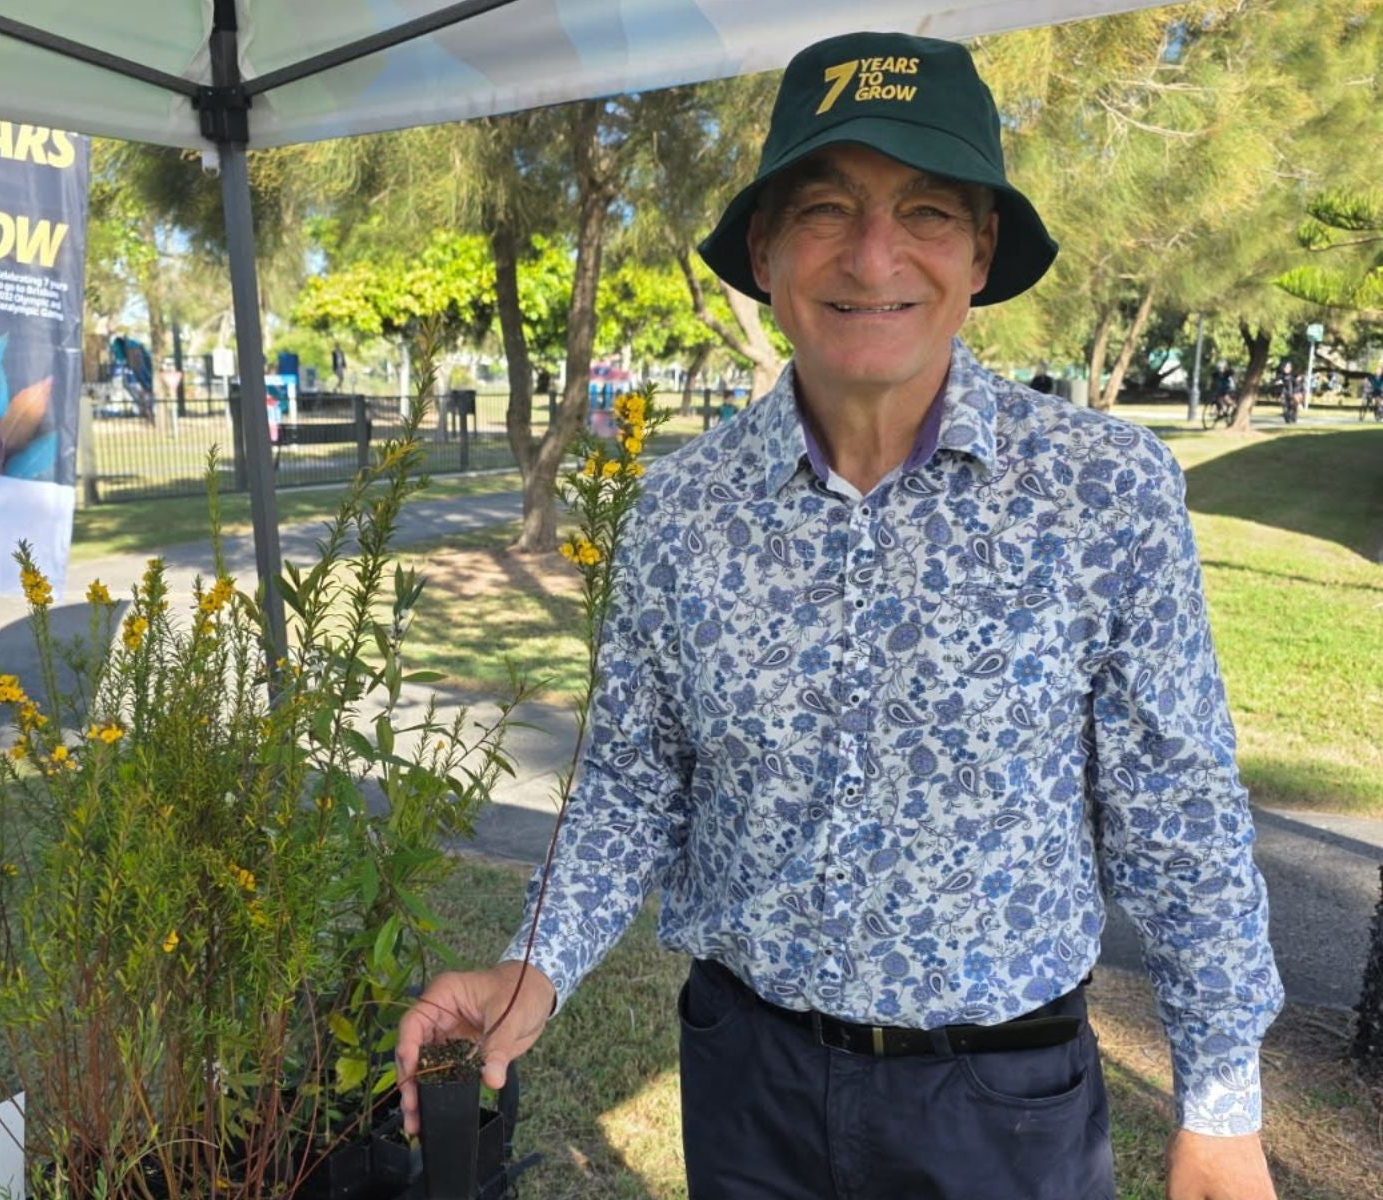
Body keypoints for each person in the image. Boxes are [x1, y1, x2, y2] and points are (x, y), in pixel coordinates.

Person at [397, 30, 1282, 1200]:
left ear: (978, 253)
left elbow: (1178, 812)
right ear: (763, 251)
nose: (873, 257)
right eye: (824, 209)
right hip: (747, 1083)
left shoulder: (1102, 490)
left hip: (1002, 1109)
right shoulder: (679, 512)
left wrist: (1218, 1104)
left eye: (925, 211)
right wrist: (535, 963)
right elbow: (632, 779)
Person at [1275, 360, 1299, 424]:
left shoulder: (1293, 375)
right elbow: (1276, 382)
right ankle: (1287, 419)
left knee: (1292, 406)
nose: (1287, 368)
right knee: (1284, 406)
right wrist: (1279, 382)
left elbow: (1296, 384)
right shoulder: (1281, 375)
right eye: (1286, 367)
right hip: (1283, 392)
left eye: (1289, 367)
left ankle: (1293, 418)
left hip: (1292, 392)